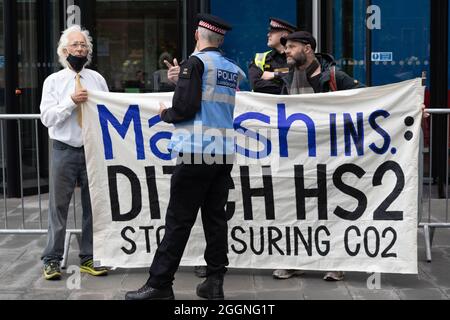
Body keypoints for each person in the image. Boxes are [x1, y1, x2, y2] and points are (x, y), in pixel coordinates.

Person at [125, 13, 245, 300]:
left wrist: (166, 113)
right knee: (215, 219)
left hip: (195, 152)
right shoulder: (231, 68)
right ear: (220, 39)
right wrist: (185, 79)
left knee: (179, 220)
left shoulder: (196, 63)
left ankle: (159, 284)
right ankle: (214, 282)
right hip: (222, 152)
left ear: (197, 35)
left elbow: (185, 107)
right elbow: (207, 97)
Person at [275, 31, 365, 282]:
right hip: (297, 156)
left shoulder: (335, 76)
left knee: (330, 209)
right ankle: (294, 261)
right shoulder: (287, 79)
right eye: (286, 47)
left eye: (292, 47)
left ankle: (335, 262)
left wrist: (407, 108)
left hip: (330, 155)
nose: (287, 51)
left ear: (307, 48)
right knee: (295, 209)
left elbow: (370, 99)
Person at [40, 25, 109, 280]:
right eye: (76, 45)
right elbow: (47, 117)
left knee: (93, 207)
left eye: (84, 45)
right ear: (64, 50)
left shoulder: (97, 79)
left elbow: (107, 112)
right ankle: (52, 259)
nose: (80, 49)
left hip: (92, 150)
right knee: (59, 206)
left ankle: (89, 257)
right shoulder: (54, 81)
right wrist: (71, 101)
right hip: (64, 150)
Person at [248, 17, 297, 94]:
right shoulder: (260, 58)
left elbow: (298, 80)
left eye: (272, 32)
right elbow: (256, 85)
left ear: (284, 35)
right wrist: (284, 82)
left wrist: (274, 74)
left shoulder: (296, 57)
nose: (268, 35)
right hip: (267, 106)